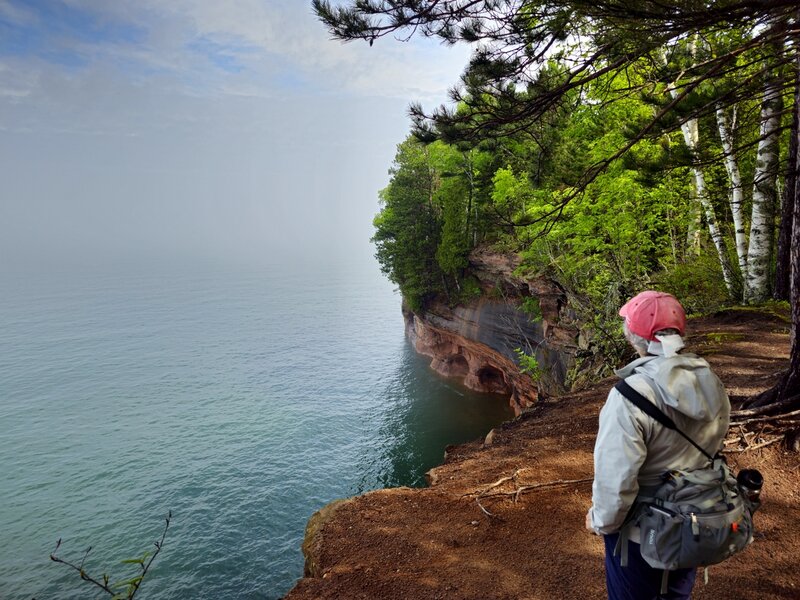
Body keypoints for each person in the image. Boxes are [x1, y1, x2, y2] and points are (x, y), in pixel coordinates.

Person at [585, 291, 731, 600]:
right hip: (694, 518)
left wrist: (601, 521)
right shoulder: (710, 381)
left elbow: (616, 478)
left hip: (640, 533)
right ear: (680, 332)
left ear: (633, 338)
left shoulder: (630, 396)